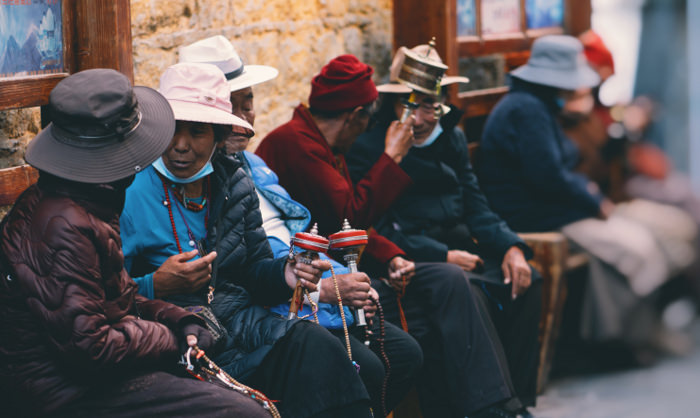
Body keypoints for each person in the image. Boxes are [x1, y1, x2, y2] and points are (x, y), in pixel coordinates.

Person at [257, 54, 530, 418]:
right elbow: (349, 216)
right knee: (436, 300)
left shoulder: (327, 144)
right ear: (356, 116)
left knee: (451, 280)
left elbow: (353, 224)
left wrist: (391, 256)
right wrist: (392, 157)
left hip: (363, 259)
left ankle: (497, 407)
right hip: (317, 275)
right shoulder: (298, 143)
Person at [0, 69, 270, 417]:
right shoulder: (63, 223)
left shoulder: (84, 201)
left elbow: (115, 294)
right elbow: (91, 348)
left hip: (83, 371)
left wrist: (180, 320)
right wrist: (170, 339)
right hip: (59, 390)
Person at [177, 35, 423, 416]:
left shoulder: (251, 168)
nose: (245, 120)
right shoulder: (285, 149)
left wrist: (341, 274)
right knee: (368, 365)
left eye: (249, 105)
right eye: (232, 109)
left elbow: (297, 239)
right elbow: (231, 280)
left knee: (405, 349)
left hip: (293, 285)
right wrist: (321, 288)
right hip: (268, 308)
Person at [120, 62, 372, 418]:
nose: (180, 146)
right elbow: (102, 294)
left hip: (240, 321)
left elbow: (253, 273)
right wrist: (155, 283)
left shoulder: (234, 182)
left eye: (197, 132)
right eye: (173, 130)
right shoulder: (131, 191)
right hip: (180, 337)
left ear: (220, 137)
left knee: (319, 348)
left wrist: (286, 275)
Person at [346, 43, 543, 413]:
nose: (418, 119)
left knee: (526, 281)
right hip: (414, 256)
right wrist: (442, 254)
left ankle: (520, 402)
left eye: (428, 106)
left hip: (461, 250)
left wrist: (510, 247)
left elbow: (475, 202)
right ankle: (490, 406)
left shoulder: (450, 137)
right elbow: (376, 224)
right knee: (466, 289)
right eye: (409, 105)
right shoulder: (371, 145)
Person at [477, 35, 683, 348]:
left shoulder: (537, 107)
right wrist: (591, 198)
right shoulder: (528, 111)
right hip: (537, 214)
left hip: (555, 207)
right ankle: (628, 338)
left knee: (642, 244)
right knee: (637, 248)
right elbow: (548, 177)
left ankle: (632, 332)